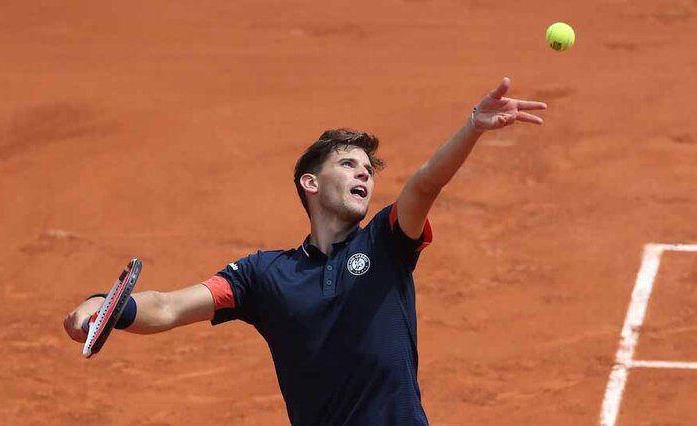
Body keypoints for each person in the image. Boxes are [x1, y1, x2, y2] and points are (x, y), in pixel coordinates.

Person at [64, 77, 547, 425]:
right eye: (349, 164)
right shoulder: (262, 275)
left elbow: (426, 183)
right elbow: (169, 306)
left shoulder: (387, 242)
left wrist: (473, 127)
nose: (364, 174)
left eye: (368, 169)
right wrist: (105, 307)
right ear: (310, 183)